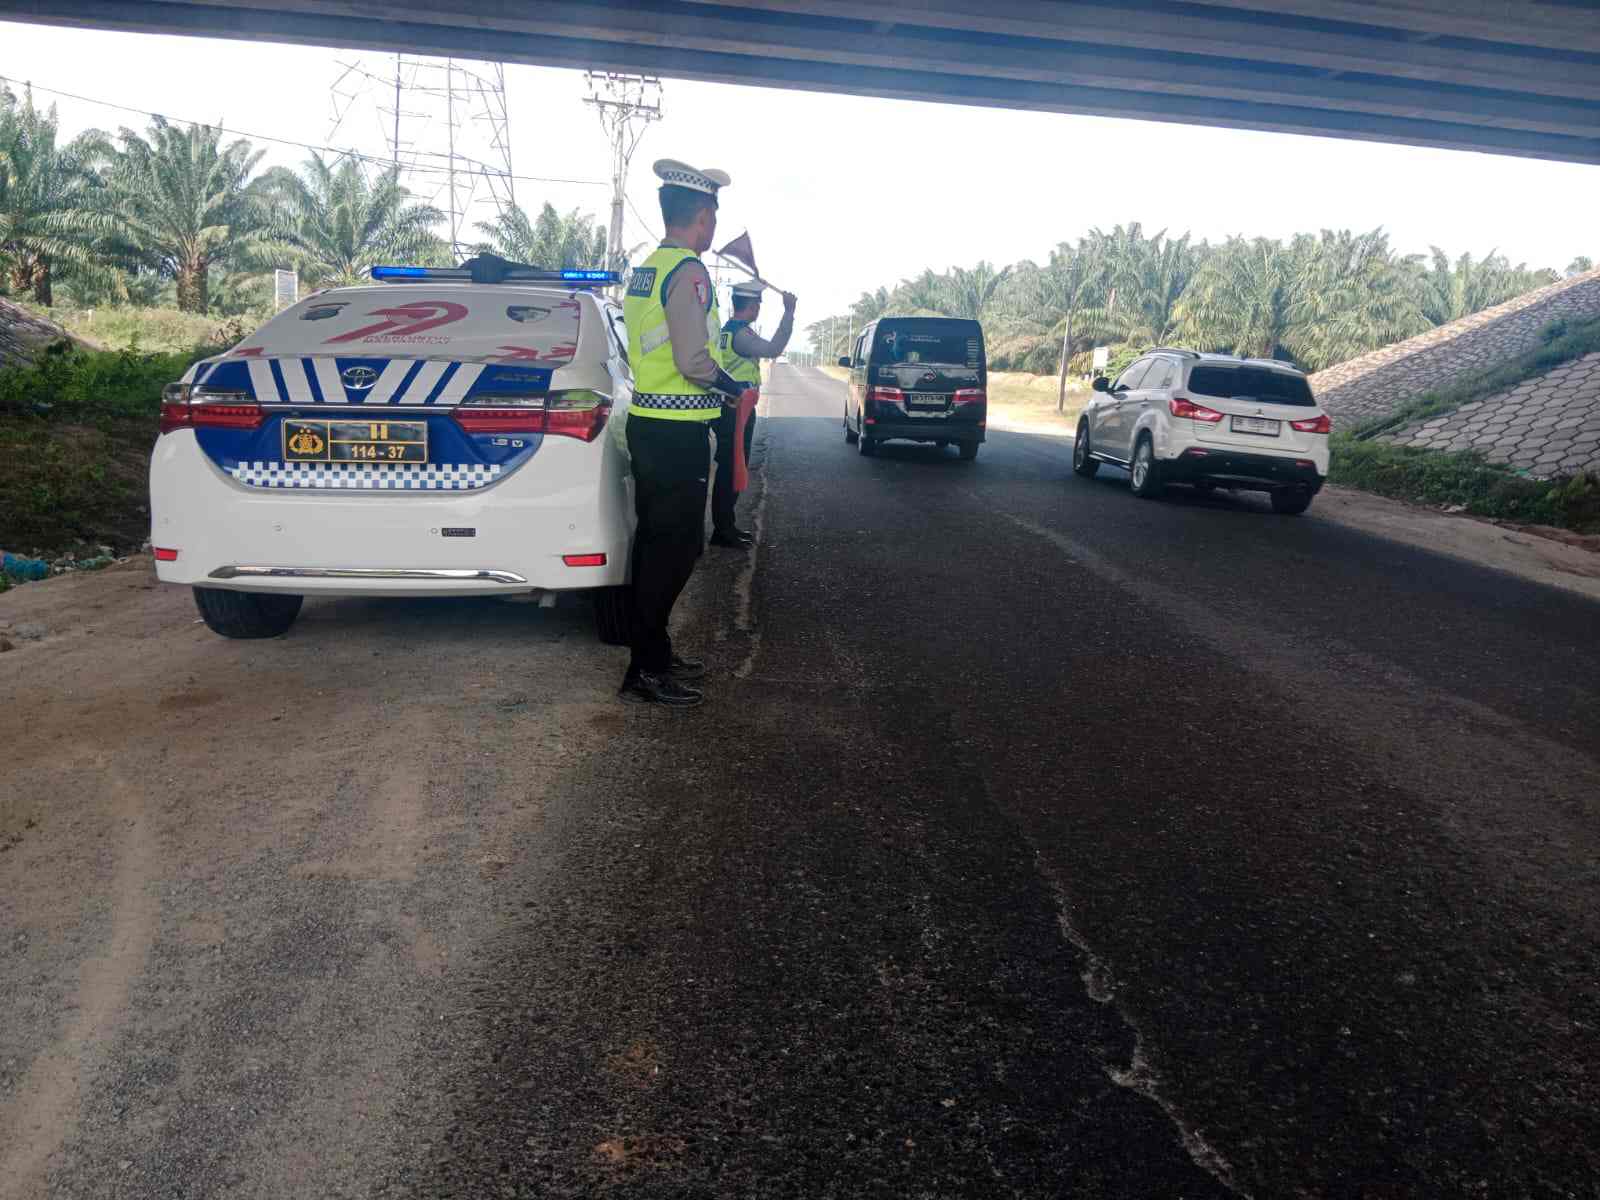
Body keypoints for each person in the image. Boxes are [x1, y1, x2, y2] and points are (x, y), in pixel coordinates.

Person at [618, 159, 755, 708]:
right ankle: (644, 669)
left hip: (652, 424)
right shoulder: (690, 272)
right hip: (676, 433)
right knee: (672, 552)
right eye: (713, 217)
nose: (714, 228)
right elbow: (694, 360)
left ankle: (655, 654)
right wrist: (732, 389)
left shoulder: (649, 267)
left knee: (659, 548)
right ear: (702, 215)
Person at [709, 280, 796, 547]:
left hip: (729, 407)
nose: (759, 307)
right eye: (758, 303)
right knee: (732, 468)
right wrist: (788, 313)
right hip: (737, 408)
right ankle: (723, 530)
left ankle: (726, 526)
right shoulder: (741, 334)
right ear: (753, 306)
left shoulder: (725, 331)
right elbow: (773, 350)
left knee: (730, 466)